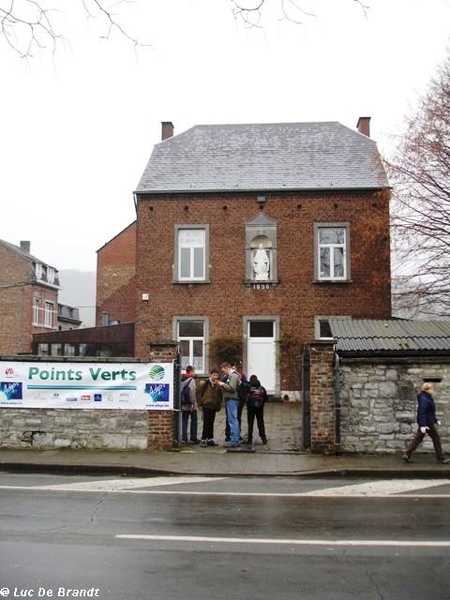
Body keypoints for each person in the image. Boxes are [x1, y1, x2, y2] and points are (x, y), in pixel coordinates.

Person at [402, 382, 449, 464]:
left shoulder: (427, 397)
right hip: (427, 423)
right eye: (432, 388)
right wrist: (423, 425)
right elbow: (422, 412)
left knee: (418, 438)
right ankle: (440, 458)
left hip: (428, 422)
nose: (433, 390)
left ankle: (407, 454)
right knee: (436, 439)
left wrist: (435, 420)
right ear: (427, 389)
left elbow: (429, 412)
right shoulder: (424, 398)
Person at [217, 362, 241, 449]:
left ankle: (234, 441)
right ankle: (234, 440)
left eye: (223, 370)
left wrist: (222, 384)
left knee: (233, 420)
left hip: (232, 400)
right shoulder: (231, 376)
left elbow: (232, 388)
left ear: (227, 367)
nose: (223, 372)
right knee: (233, 420)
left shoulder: (233, 376)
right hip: (230, 400)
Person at [197, 368, 222, 447]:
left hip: (213, 406)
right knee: (206, 422)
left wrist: (218, 405)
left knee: (211, 422)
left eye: (217, 375)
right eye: (214, 375)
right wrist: (199, 404)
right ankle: (204, 439)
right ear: (211, 375)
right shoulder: (205, 383)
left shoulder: (218, 384)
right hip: (206, 404)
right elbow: (199, 394)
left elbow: (220, 396)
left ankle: (210, 438)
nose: (215, 377)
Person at [246, 374, 268, 446]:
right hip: (260, 408)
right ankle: (263, 437)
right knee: (260, 422)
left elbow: (245, 396)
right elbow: (266, 399)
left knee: (250, 423)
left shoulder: (249, 388)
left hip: (250, 408)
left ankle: (249, 439)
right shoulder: (262, 388)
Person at [180, 365, 200, 444]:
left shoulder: (182, 379)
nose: (194, 373)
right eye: (194, 371)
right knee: (194, 421)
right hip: (191, 405)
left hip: (184, 403)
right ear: (191, 371)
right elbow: (192, 392)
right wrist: (192, 403)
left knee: (184, 420)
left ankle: (184, 438)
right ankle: (193, 437)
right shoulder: (191, 380)